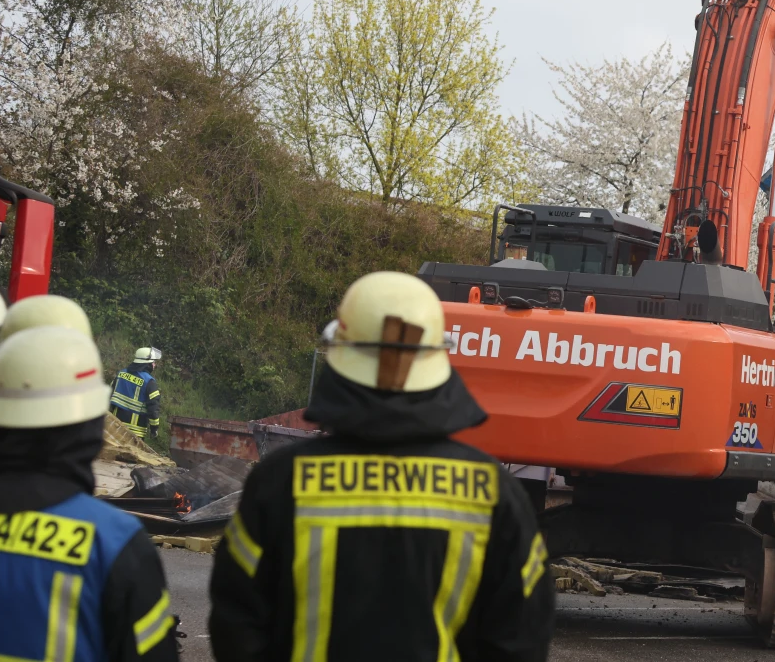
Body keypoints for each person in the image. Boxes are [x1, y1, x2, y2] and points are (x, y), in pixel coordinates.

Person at [209, 271, 555, 662]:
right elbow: (521, 638)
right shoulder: (493, 493)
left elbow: (237, 622)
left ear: (340, 352)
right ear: (436, 358)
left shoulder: (280, 481)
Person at [0, 317, 178, 662]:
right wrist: (153, 428)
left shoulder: (123, 373)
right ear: (91, 426)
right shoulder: (117, 541)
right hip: (135, 431)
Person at [109, 348, 162, 440]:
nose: (154, 365)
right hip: (134, 432)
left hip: (115, 425)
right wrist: (154, 429)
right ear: (147, 364)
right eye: (153, 362)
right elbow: (153, 408)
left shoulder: (121, 374)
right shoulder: (149, 382)